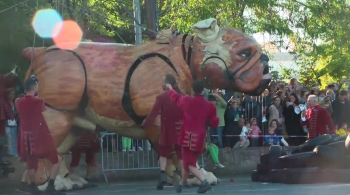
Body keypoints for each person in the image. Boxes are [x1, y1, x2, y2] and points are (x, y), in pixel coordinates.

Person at [166, 80, 219, 194]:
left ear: (193, 89)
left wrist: (170, 89)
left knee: (189, 164)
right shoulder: (210, 105)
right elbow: (214, 123)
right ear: (203, 90)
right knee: (190, 163)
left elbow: (176, 98)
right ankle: (180, 185)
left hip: (188, 137)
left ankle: (204, 182)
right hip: (200, 138)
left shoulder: (187, 100)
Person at [16, 78, 65, 195]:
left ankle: (33, 188)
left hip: (26, 138)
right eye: (37, 87)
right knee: (57, 160)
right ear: (34, 88)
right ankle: (51, 187)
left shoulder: (18, 102)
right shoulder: (39, 102)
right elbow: (43, 109)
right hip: (41, 137)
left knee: (31, 164)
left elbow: (24, 100)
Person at [142, 74, 184, 190]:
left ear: (167, 83)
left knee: (163, 154)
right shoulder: (182, 96)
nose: (161, 84)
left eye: (162, 82)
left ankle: (162, 176)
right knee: (181, 155)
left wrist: (145, 124)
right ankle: (184, 178)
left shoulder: (162, 97)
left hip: (167, 130)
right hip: (180, 129)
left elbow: (153, 114)